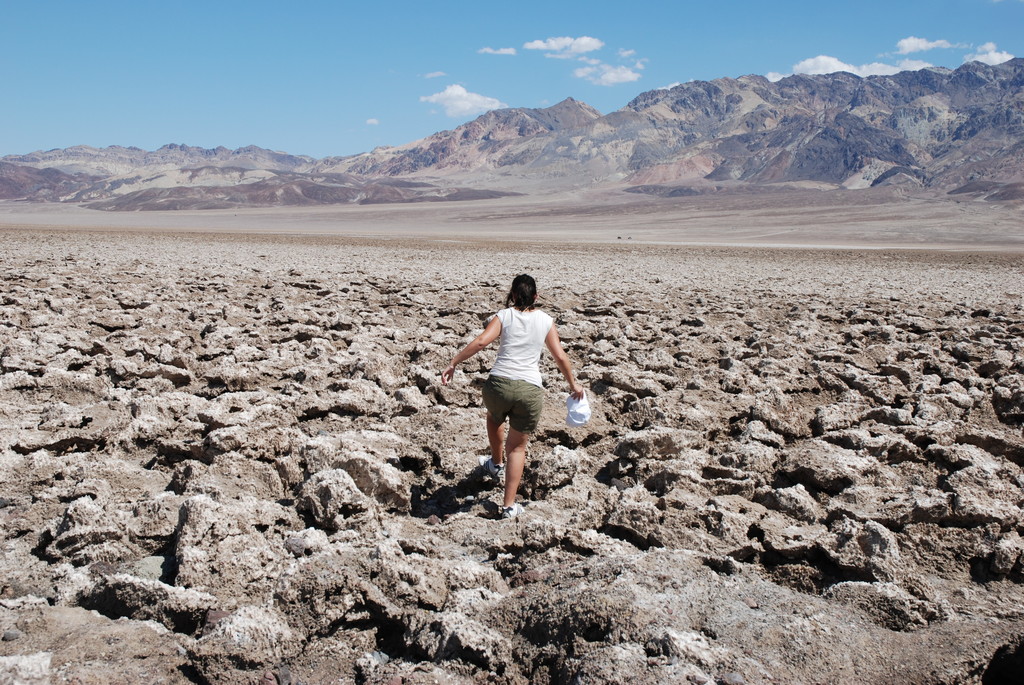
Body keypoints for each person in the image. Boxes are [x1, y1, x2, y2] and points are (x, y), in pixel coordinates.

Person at [441, 274, 585, 519]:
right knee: (517, 448)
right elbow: (560, 356)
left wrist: (454, 361)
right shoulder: (545, 320)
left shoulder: (504, 315)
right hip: (529, 390)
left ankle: (495, 464)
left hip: (498, 385)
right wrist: (574, 385)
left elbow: (481, 341)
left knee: (494, 418)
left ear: (513, 295)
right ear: (536, 296)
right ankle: (508, 506)